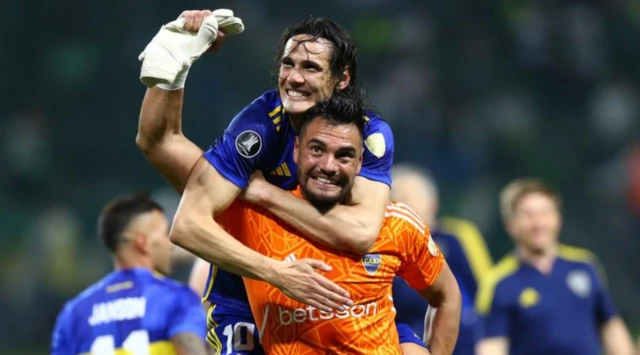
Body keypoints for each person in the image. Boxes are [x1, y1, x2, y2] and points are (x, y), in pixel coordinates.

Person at [137, 10, 429, 355]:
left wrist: (266, 194)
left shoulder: (365, 133)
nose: (294, 78)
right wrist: (278, 273)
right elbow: (186, 220)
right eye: (288, 64)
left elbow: (362, 233)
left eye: (310, 68)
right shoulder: (258, 128)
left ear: (342, 78)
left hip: (342, 298)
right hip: (249, 299)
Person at [208, 94, 462, 354]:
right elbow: (172, 154)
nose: (328, 166)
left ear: (360, 162)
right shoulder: (255, 213)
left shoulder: (397, 223)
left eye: (344, 155)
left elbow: (448, 297)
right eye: (317, 149)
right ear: (296, 150)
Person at [475, 178, 634, 355]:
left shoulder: (585, 266)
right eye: (528, 216)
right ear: (510, 224)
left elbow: (610, 326)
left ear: (557, 218)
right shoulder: (499, 283)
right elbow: (492, 347)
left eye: (545, 213)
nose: (538, 224)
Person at [51, 193, 208, 355]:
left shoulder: (73, 313)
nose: (170, 244)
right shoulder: (178, 299)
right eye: (164, 234)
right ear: (143, 243)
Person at [390, 164, 492, 354]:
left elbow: (485, 291)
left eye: (411, 196)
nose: (403, 203)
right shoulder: (385, 243)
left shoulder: (457, 237)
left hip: (461, 343)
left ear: (434, 202)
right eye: (397, 196)